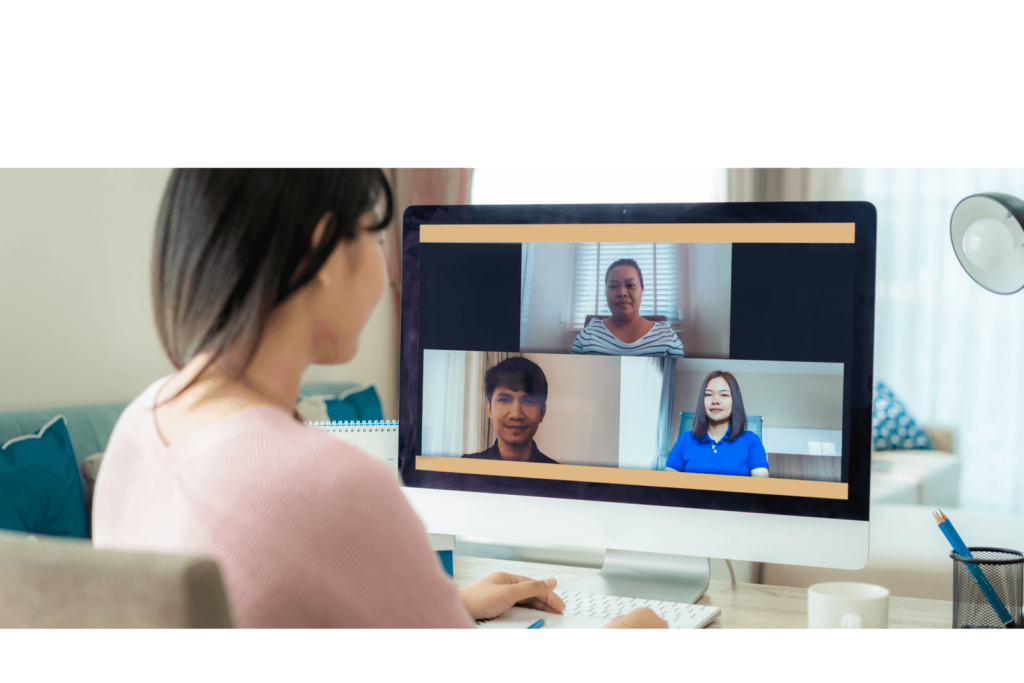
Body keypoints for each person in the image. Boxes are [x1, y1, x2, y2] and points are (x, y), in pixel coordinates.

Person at [91, 169, 664, 629]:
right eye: (372, 233)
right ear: (321, 251)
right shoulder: (331, 484)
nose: (387, 262)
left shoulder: (140, 425)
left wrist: (448, 605)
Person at [570, 258, 685, 357]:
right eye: (613, 286)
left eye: (630, 285)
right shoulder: (589, 333)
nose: (622, 293)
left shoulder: (666, 335)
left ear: (642, 290)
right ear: (605, 292)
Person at [665, 371, 769, 477]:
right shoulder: (685, 440)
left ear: (735, 401)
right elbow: (666, 486)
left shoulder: (751, 441)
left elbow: (762, 489)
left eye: (724, 395)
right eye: (709, 394)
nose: (715, 401)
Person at [463, 357, 559, 464]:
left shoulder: (562, 477)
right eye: (504, 400)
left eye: (528, 401)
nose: (516, 414)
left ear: (542, 412)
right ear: (489, 408)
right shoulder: (464, 470)